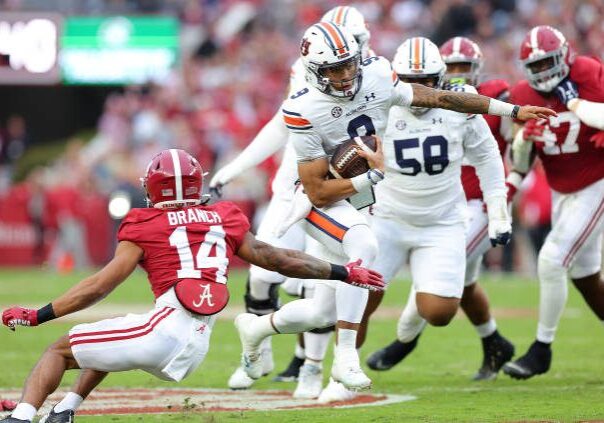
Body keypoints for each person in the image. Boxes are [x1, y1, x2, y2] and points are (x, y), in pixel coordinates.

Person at [233, 22, 555, 392]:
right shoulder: (302, 109)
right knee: (358, 259)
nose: (345, 76)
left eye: (349, 65)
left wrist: (511, 111)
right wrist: (370, 177)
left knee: (337, 308)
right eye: (334, 70)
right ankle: (336, 363)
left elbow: (443, 101)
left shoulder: (377, 78)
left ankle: (258, 327)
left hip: (398, 209)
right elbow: (318, 191)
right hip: (332, 199)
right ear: (315, 73)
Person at [0, 149, 384, 423]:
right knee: (106, 339)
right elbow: (279, 258)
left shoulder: (142, 222)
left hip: (164, 331)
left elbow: (100, 285)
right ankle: (66, 408)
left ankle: (21, 417)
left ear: (153, 187)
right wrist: (342, 271)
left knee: (59, 349)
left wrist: (40, 314)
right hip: (195, 344)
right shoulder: (224, 215)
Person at [210, 6, 376, 402]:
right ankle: (258, 348)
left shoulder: (378, 78)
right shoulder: (308, 76)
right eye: (337, 61)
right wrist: (233, 168)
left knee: (324, 285)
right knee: (262, 273)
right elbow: (280, 125)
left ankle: (312, 366)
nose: (348, 69)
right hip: (295, 186)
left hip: (342, 194)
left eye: (355, 52)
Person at [366, 36, 515, 380]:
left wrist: (499, 213)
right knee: (358, 297)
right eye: (409, 81)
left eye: (427, 82)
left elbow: (491, 159)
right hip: (388, 216)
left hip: (444, 217)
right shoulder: (379, 107)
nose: (418, 90)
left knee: (440, 307)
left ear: (442, 78)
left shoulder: (462, 106)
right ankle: (331, 367)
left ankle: (406, 339)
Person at [501, 25, 604, 379]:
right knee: (584, 272)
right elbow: (522, 153)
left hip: (597, 181)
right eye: (537, 65)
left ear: (565, 56)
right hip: (563, 189)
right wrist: (523, 140)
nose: (544, 72)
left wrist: (573, 100)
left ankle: (541, 349)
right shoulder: (521, 92)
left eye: (549, 62)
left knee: (552, 257)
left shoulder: (588, 71)